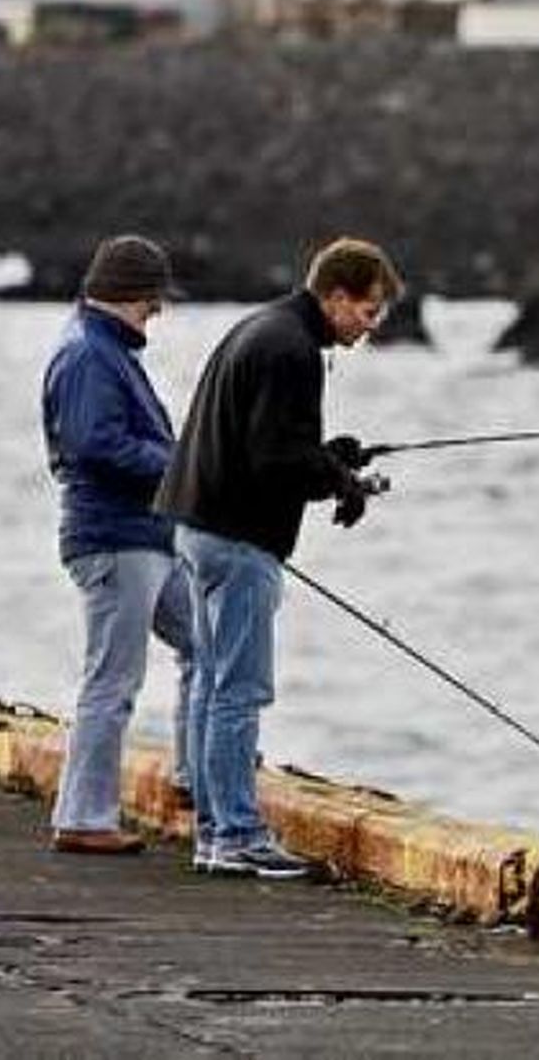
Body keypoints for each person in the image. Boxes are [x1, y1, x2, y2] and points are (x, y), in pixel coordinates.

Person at [156, 236, 402, 879]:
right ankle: (237, 834)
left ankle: (214, 834)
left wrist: (332, 458)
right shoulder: (292, 350)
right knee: (240, 691)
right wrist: (339, 482)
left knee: (212, 684)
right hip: (238, 542)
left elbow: (267, 442)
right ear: (337, 296)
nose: (371, 328)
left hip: (196, 528)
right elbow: (274, 461)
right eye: (369, 312)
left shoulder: (260, 329)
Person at [42, 234, 195, 855]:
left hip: (149, 538)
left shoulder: (109, 350)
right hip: (114, 540)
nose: (157, 312)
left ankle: (194, 776)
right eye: (152, 300)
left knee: (208, 642)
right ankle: (82, 816)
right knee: (113, 679)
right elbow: (93, 444)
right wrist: (177, 465)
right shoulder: (87, 355)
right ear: (131, 295)